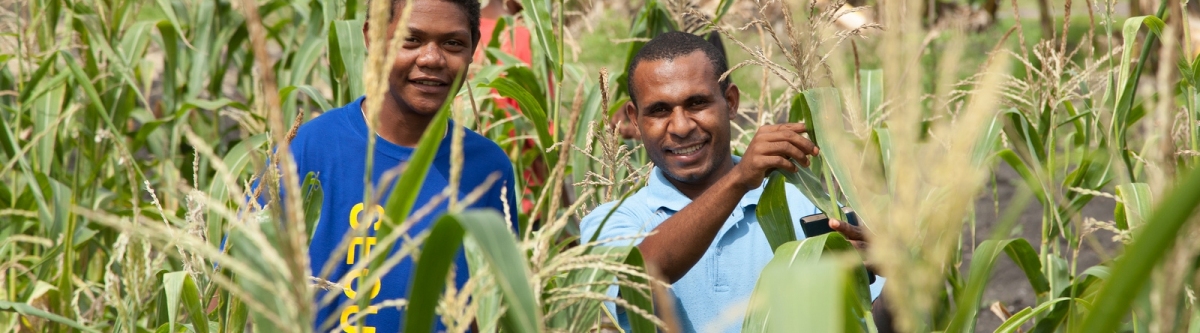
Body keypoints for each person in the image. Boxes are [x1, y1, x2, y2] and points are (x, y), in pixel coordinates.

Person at [580, 31, 885, 333]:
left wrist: (899, 281)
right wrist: (740, 180)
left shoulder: (804, 206)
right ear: (635, 119)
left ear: (731, 102)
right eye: (659, 110)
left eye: (697, 103)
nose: (682, 127)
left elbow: (869, 321)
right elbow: (639, 273)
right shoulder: (609, 224)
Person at [281, 0, 518, 331]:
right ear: (373, 38)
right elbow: (235, 284)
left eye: (452, 43)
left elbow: (495, 308)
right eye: (411, 39)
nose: (431, 59)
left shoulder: (488, 169)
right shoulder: (312, 148)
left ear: (474, 47)